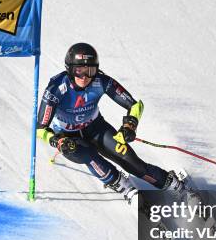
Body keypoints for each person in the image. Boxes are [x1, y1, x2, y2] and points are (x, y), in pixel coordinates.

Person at [36, 42, 185, 202]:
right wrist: (57, 141)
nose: (84, 77)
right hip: (68, 136)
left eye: (90, 70)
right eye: (79, 71)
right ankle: (125, 188)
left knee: (131, 162)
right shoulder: (56, 88)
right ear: (70, 69)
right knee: (88, 155)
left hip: (96, 128)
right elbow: (39, 128)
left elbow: (135, 105)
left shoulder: (101, 81)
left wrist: (129, 126)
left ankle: (172, 184)